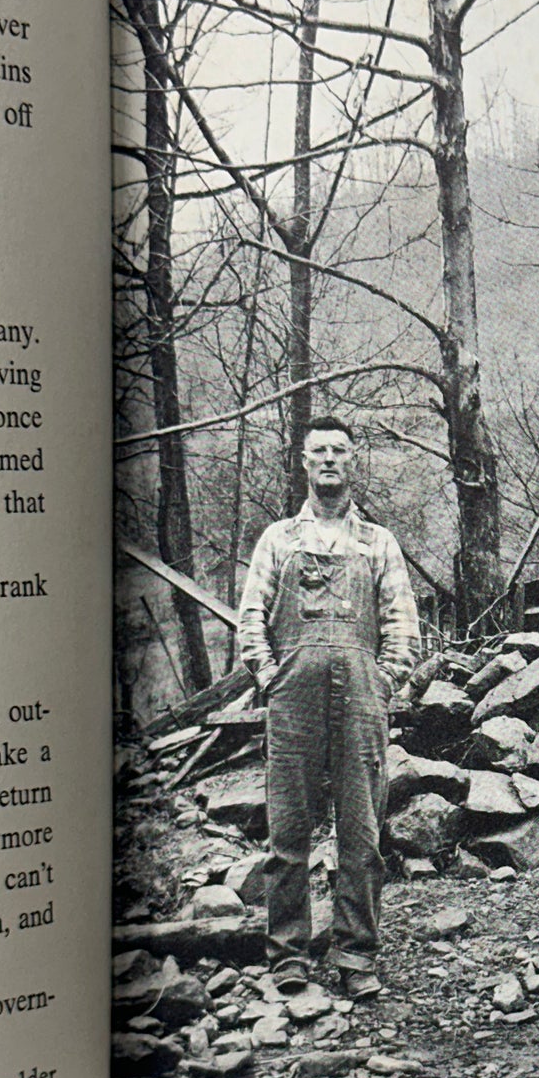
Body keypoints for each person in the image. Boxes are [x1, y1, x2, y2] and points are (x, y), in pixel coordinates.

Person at [237, 417, 419, 999]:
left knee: (361, 833)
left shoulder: (378, 542)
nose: (330, 460)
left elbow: (403, 626)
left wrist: (384, 680)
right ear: (303, 461)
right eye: (320, 451)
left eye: (340, 451)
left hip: (362, 700)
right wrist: (271, 677)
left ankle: (356, 957)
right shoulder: (279, 539)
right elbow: (250, 621)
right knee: (288, 830)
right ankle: (288, 954)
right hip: (293, 699)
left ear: (354, 460)